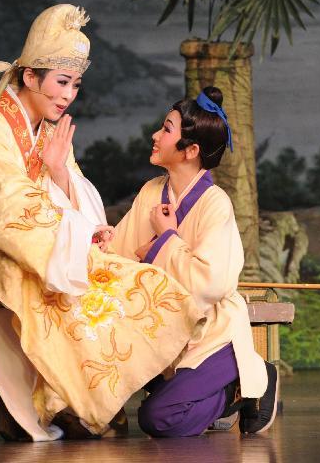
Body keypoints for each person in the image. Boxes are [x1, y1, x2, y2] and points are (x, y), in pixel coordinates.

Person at [0, 4, 202, 441]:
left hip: (45, 245)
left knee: (128, 278)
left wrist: (60, 174)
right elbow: (6, 211)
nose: (68, 95)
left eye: (75, 84)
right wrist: (72, 238)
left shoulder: (50, 133)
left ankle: (93, 397)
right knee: (44, 284)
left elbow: (76, 198)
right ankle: (58, 403)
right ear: (29, 77)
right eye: (61, 82)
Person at [109, 86, 279, 437]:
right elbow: (120, 253)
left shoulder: (215, 203)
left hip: (211, 333)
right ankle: (211, 393)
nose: (155, 136)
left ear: (191, 150)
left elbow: (211, 283)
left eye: (166, 129)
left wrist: (166, 239)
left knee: (157, 419)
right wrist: (103, 243)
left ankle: (242, 385)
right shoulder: (151, 192)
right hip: (163, 331)